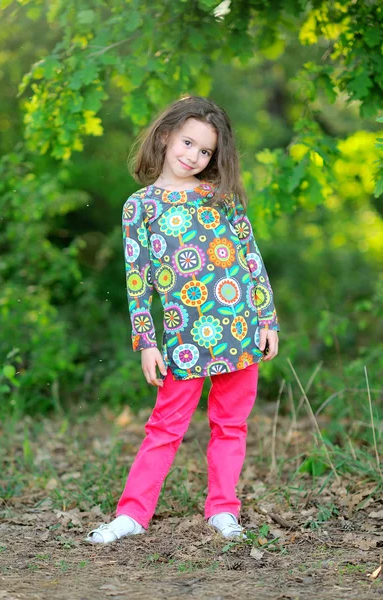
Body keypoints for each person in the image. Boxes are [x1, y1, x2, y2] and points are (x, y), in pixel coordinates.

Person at [85, 95, 280, 544]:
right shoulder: (141, 207)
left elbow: (251, 259)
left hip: (240, 328)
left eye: (205, 151)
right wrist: (146, 341)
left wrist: (267, 317)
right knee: (165, 426)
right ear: (167, 135)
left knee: (231, 424)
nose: (193, 156)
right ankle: (132, 514)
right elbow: (138, 280)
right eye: (188, 142)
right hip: (183, 338)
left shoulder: (222, 199)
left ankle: (223, 510)